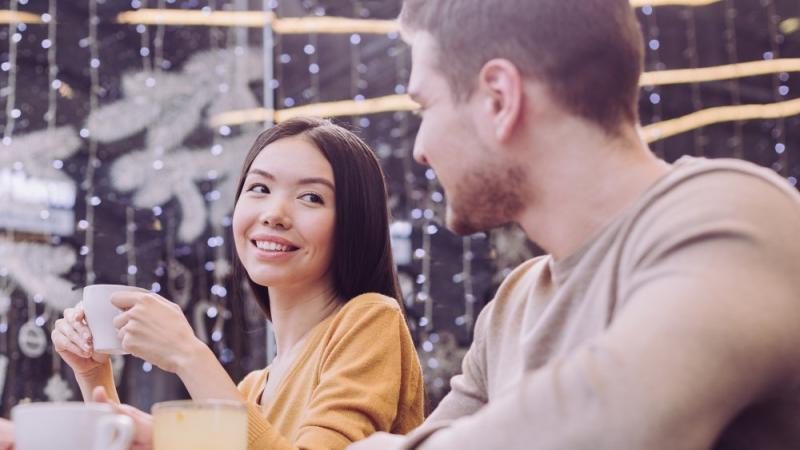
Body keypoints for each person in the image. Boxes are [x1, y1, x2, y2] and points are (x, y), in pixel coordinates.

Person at [351, 0, 800, 449]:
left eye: (424, 107)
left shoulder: (736, 216)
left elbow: (620, 421)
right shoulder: (513, 306)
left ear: (499, 99)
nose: (420, 150)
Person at [53, 117, 425, 450]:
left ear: (354, 224)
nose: (274, 214)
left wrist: (188, 354)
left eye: (311, 197)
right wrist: (93, 375)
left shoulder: (372, 320)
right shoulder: (251, 390)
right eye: (259, 188)